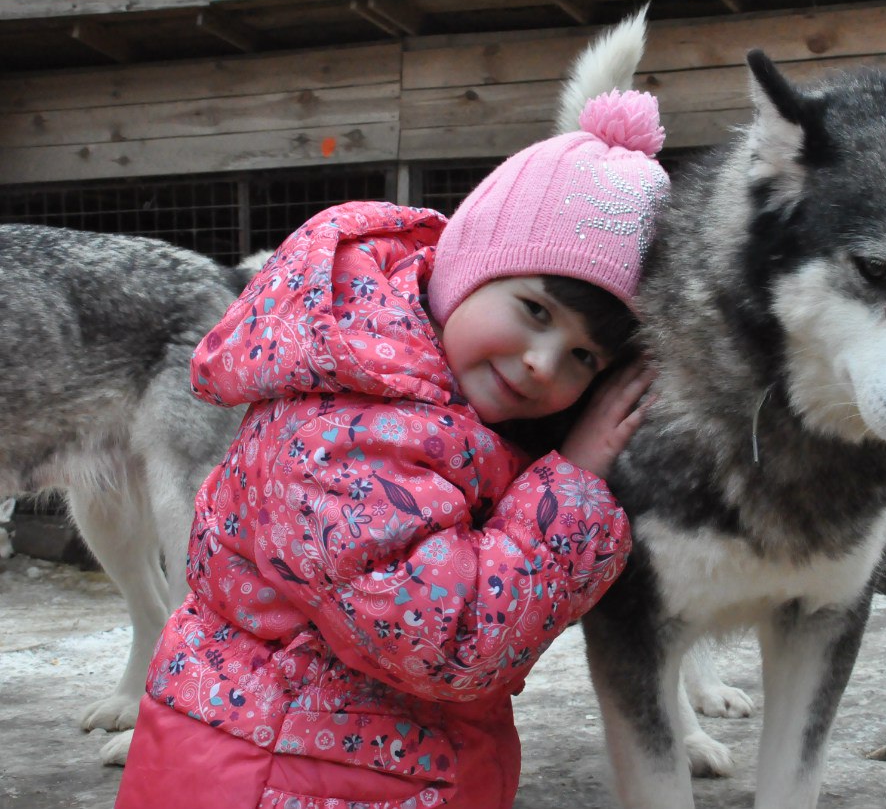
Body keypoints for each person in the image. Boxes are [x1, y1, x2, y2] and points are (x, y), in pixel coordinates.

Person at [114, 88, 669, 809]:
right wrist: (578, 487)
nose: (544, 363)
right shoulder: (344, 433)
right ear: (468, 265)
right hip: (276, 780)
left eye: (585, 359)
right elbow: (448, 645)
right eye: (535, 311)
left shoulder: (443, 413)